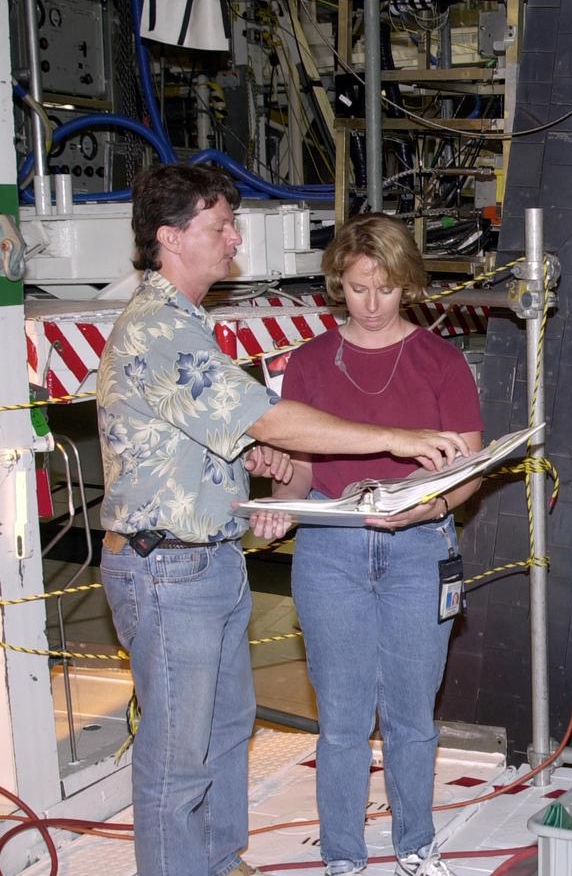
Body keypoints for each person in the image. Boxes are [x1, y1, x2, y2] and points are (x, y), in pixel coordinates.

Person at [97, 165, 470, 876]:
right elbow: (264, 414)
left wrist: (262, 467)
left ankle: (217, 859)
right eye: (219, 227)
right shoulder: (158, 330)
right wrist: (393, 439)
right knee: (178, 757)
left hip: (211, 563)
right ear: (172, 238)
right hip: (166, 569)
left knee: (228, 728)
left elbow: (226, 434)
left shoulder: (188, 324)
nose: (235, 239)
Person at [269, 213, 484, 876]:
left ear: (408, 287)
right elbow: (300, 466)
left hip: (419, 549)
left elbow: (467, 473)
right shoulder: (305, 363)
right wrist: (281, 504)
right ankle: (343, 858)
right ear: (339, 283)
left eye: (385, 290)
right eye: (358, 288)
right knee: (341, 718)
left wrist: (428, 508)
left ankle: (416, 844)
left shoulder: (440, 361)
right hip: (331, 548)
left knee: (412, 714)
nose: (370, 304)